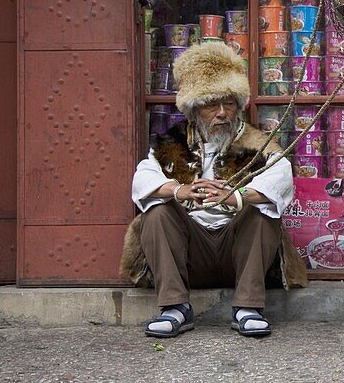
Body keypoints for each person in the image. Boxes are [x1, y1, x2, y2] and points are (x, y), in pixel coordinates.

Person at [120, 42, 306, 338]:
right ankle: (175, 308)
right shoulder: (172, 145)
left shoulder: (255, 142)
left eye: (229, 104)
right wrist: (180, 191)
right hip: (191, 255)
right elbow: (142, 179)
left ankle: (248, 307)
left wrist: (236, 197)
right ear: (194, 110)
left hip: (239, 255)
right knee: (156, 212)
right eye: (211, 105)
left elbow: (281, 178)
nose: (222, 113)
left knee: (262, 213)